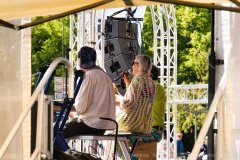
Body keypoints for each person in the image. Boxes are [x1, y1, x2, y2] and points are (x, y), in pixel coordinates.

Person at [63, 46, 116, 139]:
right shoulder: (105, 75)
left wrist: (60, 105)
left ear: (81, 60)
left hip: (90, 124)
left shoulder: (89, 76)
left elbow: (81, 107)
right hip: (103, 126)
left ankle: (56, 154)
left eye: (78, 59)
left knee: (53, 132)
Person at [116, 54, 155, 134]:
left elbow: (129, 104)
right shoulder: (151, 82)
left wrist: (114, 98)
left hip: (132, 124)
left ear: (138, 65)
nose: (132, 66)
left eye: (133, 63)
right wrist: (127, 83)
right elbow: (137, 99)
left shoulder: (137, 81)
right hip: (146, 126)